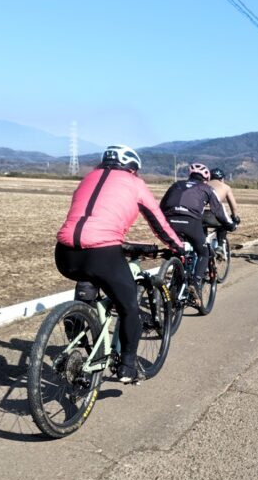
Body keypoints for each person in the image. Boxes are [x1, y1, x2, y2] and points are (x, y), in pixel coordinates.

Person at [56, 145, 185, 384]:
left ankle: (78, 320)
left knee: (90, 277)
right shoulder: (135, 183)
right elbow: (157, 221)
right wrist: (177, 246)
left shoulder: (88, 178)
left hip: (65, 254)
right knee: (129, 309)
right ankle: (127, 366)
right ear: (133, 168)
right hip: (102, 253)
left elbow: (89, 218)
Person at [160, 162, 235, 303]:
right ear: (206, 178)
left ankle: (176, 273)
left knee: (179, 250)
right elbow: (218, 210)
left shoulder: (176, 185)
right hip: (191, 222)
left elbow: (162, 206)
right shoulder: (206, 188)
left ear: (190, 175)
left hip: (169, 223)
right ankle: (195, 284)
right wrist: (230, 225)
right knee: (203, 252)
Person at [204, 167, 241, 255]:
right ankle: (220, 245)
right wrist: (235, 217)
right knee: (224, 223)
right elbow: (233, 206)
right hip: (215, 215)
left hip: (199, 214)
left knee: (202, 232)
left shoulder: (202, 185)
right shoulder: (226, 187)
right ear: (222, 178)